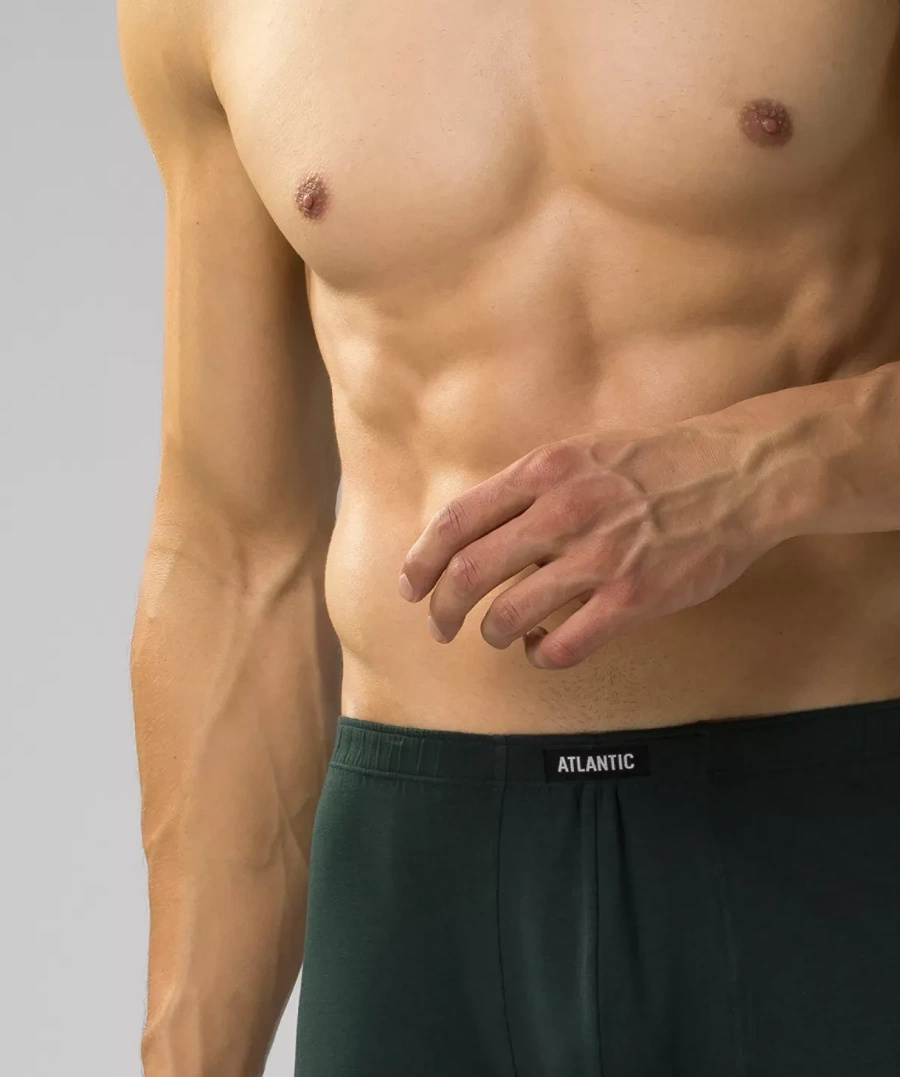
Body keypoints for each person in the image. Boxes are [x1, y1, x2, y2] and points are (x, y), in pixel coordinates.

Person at [119, 1, 900, 1074]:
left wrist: (766, 468)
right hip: (421, 899)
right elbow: (237, 556)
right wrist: (186, 1052)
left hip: (839, 835)